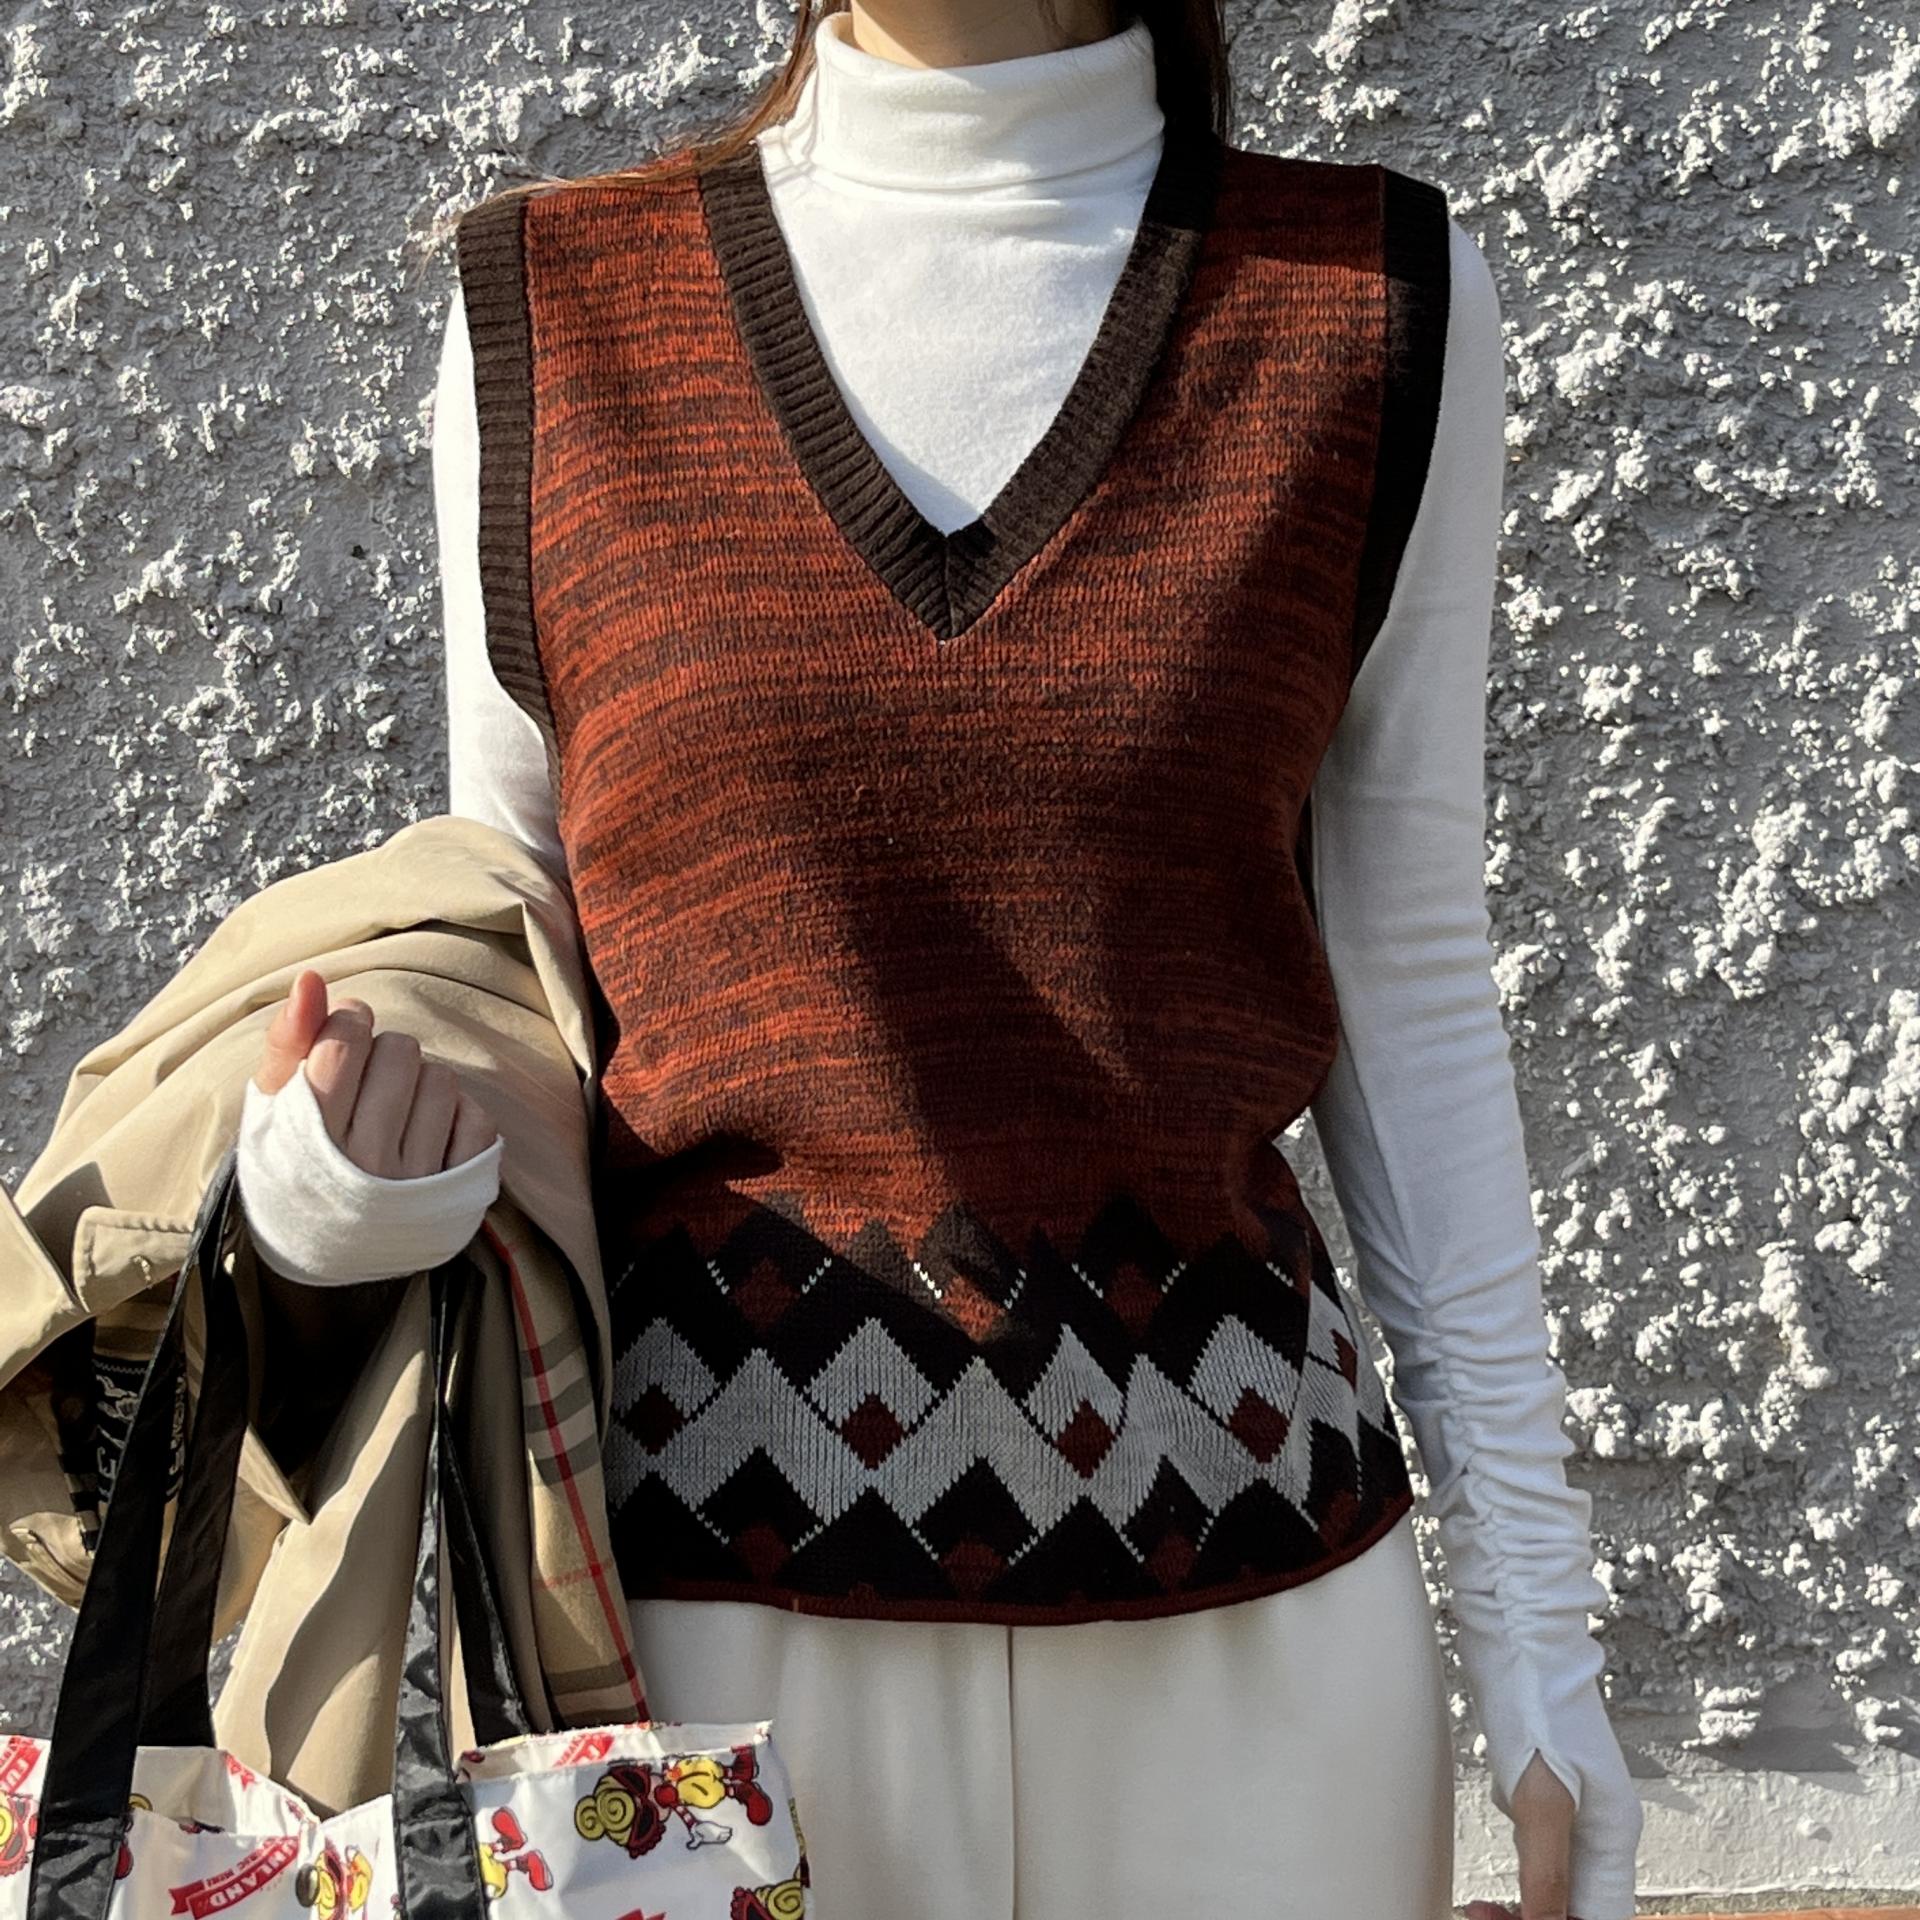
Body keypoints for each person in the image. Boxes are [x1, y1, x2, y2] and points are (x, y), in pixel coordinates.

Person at [234, 3, 1646, 1916]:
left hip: (1264, 1654)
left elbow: (1408, 986)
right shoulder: (554, 313)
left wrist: (1540, 1647)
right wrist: (342, 1201)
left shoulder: (1369, 298)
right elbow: (518, 973)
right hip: (713, 1672)